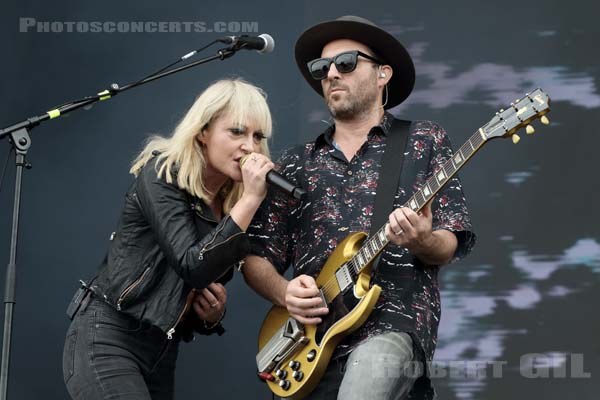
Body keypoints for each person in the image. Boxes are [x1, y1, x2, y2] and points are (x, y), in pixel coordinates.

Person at [243, 16, 476, 399]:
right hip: (309, 344)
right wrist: (285, 292)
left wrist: (422, 241)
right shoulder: (296, 164)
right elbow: (254, 259)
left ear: (383, 74)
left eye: (347, 62)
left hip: (391, 326)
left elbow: (450, 240)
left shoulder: (424, 141)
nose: (332, 73)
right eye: (323, 68)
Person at [62, 78, 275, 400]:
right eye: (237, 132)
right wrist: (250, 201)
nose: (250, 146)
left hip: (162, 350)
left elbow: (191, 284)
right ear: (203, 132)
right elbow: (193, 266)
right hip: (108, 336)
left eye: (258, 136)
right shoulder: (162, 174)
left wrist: (211, 315)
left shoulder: (235, 203)